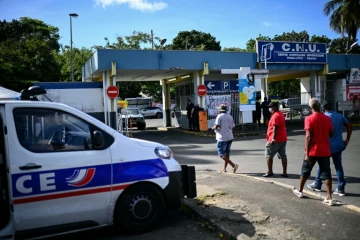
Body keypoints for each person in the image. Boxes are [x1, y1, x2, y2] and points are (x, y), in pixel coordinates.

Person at [293, 98, 334, 206]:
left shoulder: (309, 119)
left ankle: (300, 191)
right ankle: (329, 197)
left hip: (313, 151)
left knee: (305, 171)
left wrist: (307, 153)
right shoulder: (327, 119)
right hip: (325, 150)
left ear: (310, 108)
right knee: (326, 173)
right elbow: (331, 134)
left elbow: (309, 137)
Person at [307, 101, 352, 196]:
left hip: (326, 146)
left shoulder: (324, 117)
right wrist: (347, 139)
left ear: (323, 109)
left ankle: (318, 184)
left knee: (321, 165)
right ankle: (341, 188)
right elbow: (349, 125)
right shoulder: (339, 116)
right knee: (338, 167)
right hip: (338, 146)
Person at [211, 104, 239, 174]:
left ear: (220, 110)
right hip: (229, 137)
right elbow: (233, 126)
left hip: (222, 137)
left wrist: (213, 128)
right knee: (227, 154)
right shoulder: (230, 116)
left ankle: (233, 165)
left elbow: (217, 126)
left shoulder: (219, 116)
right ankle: (224, 169)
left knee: (221, 154)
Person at [263, 102, 288, 177]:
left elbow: (275, 128)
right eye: (270, 107)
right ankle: (284, 172)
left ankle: (270, 171)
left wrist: (273, 138)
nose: (270, 108)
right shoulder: (280, 114)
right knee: (283, 155)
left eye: (272, 107)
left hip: (275, 139)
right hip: (282, 138)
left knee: (268, 155)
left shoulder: (275, 116)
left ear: (276, 107)